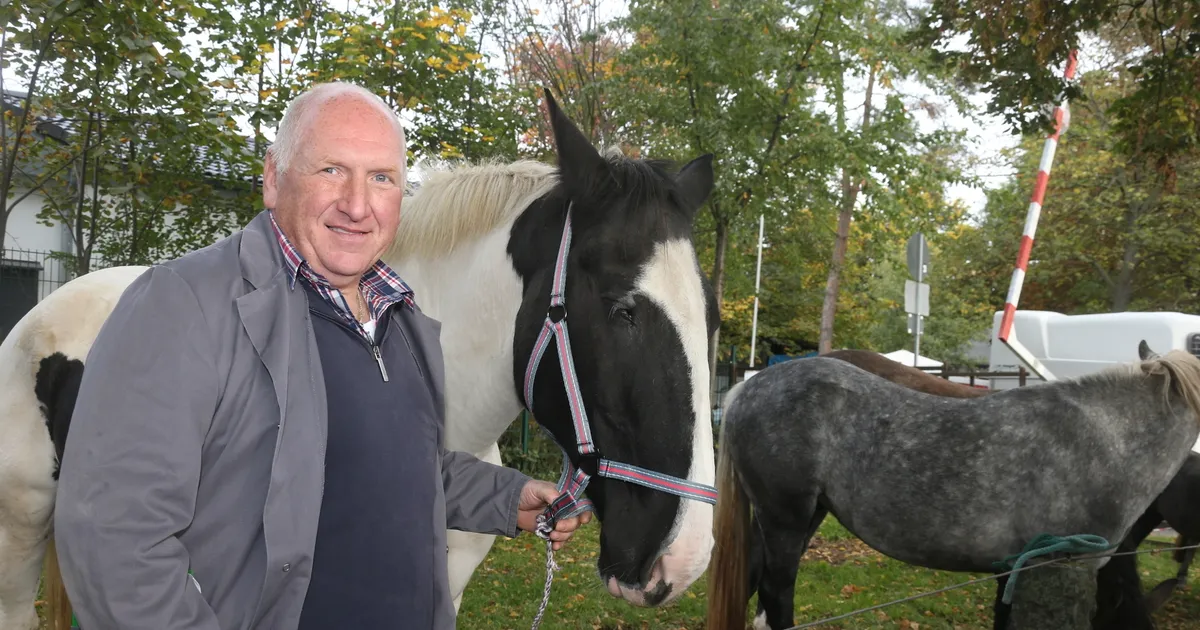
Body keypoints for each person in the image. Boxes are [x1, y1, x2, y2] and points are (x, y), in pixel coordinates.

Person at [52, 81, 589, 630]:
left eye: (381, 178)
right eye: (331, 169)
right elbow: (112, 537)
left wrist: (508, 495)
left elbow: (394, 466)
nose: (357, 205)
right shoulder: (185, 304)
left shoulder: (399, 315)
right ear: (272, 178)